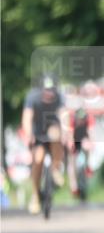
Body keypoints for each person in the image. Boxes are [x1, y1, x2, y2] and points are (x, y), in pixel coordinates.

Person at [20, 74, 70, 214]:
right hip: (38, 133)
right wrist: (28, 135)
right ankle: (35, 195)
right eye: (46, 90)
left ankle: (55, 168)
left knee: (56, 135)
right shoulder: (32, 97)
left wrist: (66, 132)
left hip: (53, 128)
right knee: (38, 160)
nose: (49, 94)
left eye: (51, 90)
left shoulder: (59, 97)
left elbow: (64, 115)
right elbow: (27, 117)